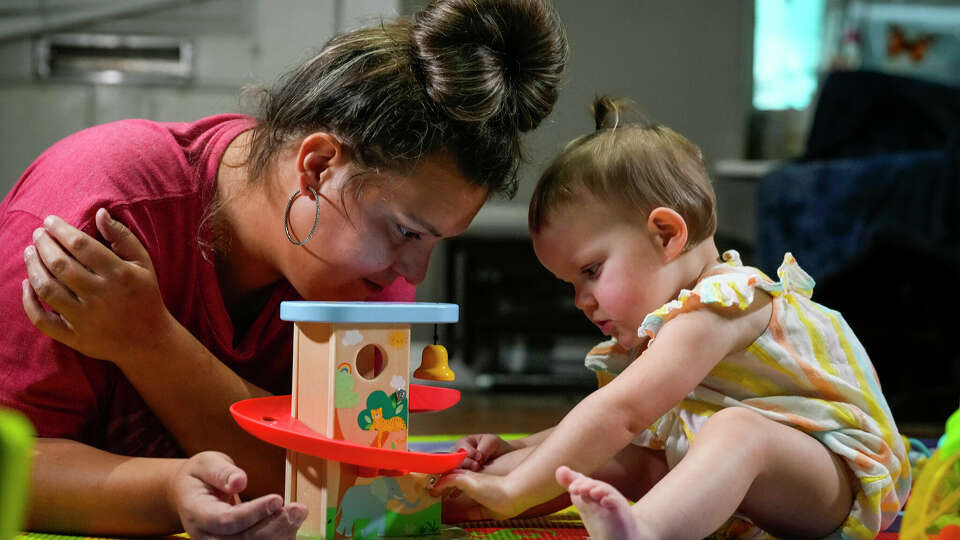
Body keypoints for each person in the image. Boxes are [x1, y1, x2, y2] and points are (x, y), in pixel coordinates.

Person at [0, 0, 567, 537]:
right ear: (318, 168)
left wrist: (149, 341)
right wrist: (169, 490)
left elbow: (338, 482)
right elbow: (13, 466)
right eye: (405, 231)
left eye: (434, 242)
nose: (413, 274)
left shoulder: (373, 282)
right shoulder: (100, 213)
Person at [436, 97, 910, 540]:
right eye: (570, 284)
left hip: (835, 483)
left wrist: (517, 490)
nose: (580, 299)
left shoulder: (724, 303)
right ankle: (437, 496)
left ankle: (644, 531)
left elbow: (620, 412)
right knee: (621, 456)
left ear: (665, 234)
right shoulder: (663, 323)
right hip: (748, 493)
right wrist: (516, 452)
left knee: (736, 429)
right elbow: (602, 431)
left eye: (591, 271)